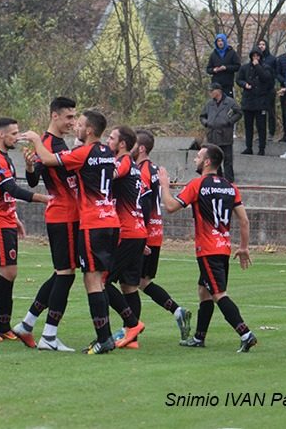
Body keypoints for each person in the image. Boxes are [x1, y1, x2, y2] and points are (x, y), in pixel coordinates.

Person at [23, 109, 121, 355]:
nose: (75, 126)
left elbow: (47, 159)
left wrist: (36, 139)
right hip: (111, 219)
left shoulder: (83, 153)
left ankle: (103, 338)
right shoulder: (107, 152)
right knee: (95, 277)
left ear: (89, 130)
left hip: (92, 222)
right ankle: (102, 336)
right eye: (71, 120)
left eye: (79, 123)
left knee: (90, 279)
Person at [158, 144, 257, 353]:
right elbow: (244, 221)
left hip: (208, 249)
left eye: (199, 156)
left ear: (207, 162)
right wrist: (244, 247)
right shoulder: (231, 187)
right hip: (223, 247)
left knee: (218, 294)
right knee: (204, 291)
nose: (195, 159)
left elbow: (170, 207)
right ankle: (199, 337)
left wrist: (164, 185)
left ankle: (246, 334)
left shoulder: (198, 184)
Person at [0, 118, 50, 342]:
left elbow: (3, 193)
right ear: (1, 135)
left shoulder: (4, 157)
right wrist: (42, 198)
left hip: (4, 219)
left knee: (9, 274)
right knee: (8, 273)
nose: (17, 137)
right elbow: (10, 188)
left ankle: (4, 325)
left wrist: (14, 216)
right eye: (14, 134)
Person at [12, 98, 80, 352]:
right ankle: (49, 336)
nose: (72, 122)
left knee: (61, 272)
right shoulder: (48, 144)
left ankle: (27, 324)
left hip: (64, 215)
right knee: (66, 274)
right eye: (69, 117)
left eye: (74, 117)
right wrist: (32, 167)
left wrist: (30, 167)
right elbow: (33, 182)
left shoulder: (56, 144)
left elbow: (33, 178)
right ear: (55, 116)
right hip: (64, 215)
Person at [132, 130, 191, 343]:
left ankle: (130, 330)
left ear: (141, 148)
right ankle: (177, 311)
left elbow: (145, 202)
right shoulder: (157, 169)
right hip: (157, 231)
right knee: (143, 282)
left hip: (145, 233)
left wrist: (142, 236)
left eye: (132, 144)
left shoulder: (142, 171)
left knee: (129, 283)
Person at [105, 125, 147, 349]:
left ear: (122, 144)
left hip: (127, 232)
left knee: (101, 281)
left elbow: (110, 174)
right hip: (138, 231)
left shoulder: (123, 163)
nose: (107, 141)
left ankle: (132, 324)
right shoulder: (135, 167)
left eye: (111, 138)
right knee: (129, 286)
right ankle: (132, 338)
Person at [199, 82, 242, 182]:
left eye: (212, 91)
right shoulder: (209, 104)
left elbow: (239, 113)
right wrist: (206, 123)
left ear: (218, 91)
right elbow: (202, 116)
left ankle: (229, 181)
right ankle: (216, 180)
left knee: (228, 160)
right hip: (212, 135)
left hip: (225, 134)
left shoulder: (230, 102)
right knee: (214, 160)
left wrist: (229, 121)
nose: (210, 93)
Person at [236, 46, 273, 155]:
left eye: (257, 56)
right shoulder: (245, 68)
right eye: (254, 56)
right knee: (248, 126)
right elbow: (238, 79)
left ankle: (262, 148)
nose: (255, 58)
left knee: (261, 126)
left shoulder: (266, 67)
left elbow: (266, 78)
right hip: (248, 100)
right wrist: (244, 84)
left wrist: (258, 66)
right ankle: (248, 147)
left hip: (261, 101)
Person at [206, 33, 241, 98]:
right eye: (218, 41)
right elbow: (208, 69)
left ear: (225, 41)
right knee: (217, 105)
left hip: (228, 84)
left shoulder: (232, 53)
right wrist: (214, 70)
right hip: (216, 85)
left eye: (222, 41)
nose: (220, 43)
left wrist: (226, 68)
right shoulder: (213, 54)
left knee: (228, 103)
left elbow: (237, 66)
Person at [257, 38, 277, 140]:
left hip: (269, 89)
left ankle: (271, 132)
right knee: (260, 113)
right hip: (259, 90)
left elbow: (275, 73)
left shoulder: (272, 59)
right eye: (259, 44)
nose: (261, 46)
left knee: (271, 111)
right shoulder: (256, 59)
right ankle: (261, 133)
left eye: (263, 44)